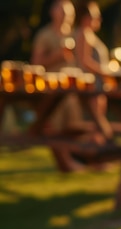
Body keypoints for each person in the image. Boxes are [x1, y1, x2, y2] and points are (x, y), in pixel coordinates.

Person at [30, 0, 100, 172]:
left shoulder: (73, 36)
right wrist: (58, 56)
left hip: (71, 91)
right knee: (54, 127)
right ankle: (67, 164)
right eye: (63, 12)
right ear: (53, 12)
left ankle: (78, 161)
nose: (67, 16)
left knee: (73, 127)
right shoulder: (44, 35)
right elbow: (35, 64)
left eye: (70, 13)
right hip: (51, 91)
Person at [73, 1, 113, 140]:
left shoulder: (88, 34)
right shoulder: (84, 34)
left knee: (98, 121)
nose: (99, 19)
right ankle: (96, 156)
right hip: (92, 85)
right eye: (96, 16)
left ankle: (98, 157)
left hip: (97, 84)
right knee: (97, 122)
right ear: (85, 17)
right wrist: (105, 72)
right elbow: (84, 61)